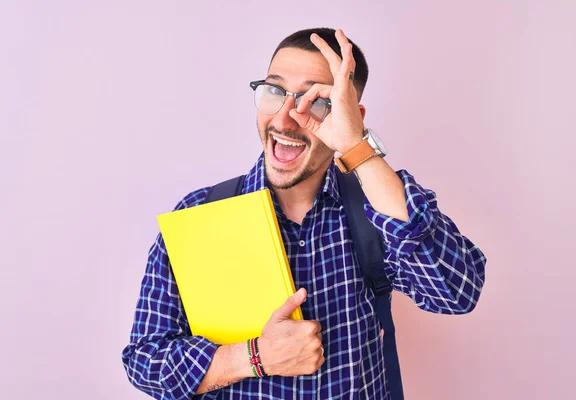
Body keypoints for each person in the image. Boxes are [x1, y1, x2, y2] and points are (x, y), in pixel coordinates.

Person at [122, 27, 486, 400]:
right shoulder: (201, 214)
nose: (285, 119)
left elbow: (456, 292)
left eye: (316, 101)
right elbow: (145, 362)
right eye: (275, 91)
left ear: (351, 116)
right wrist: (253, 358)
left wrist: (355, 147)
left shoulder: (376, 208)